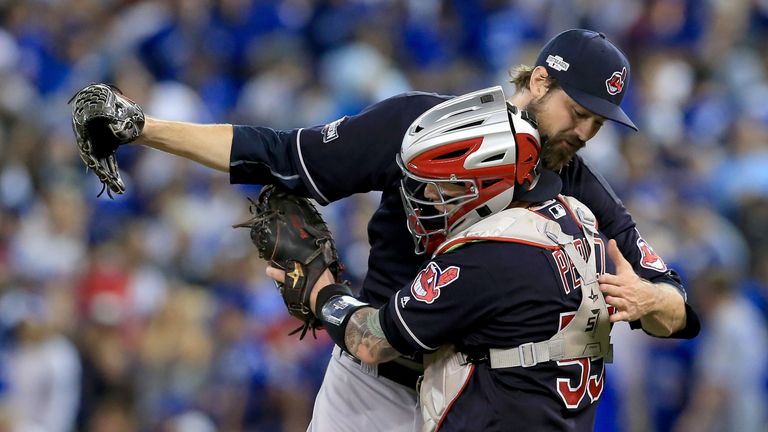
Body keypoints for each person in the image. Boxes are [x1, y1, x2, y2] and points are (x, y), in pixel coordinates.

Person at [107, 29, 699, 430]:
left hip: (480, 402)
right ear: (540, 81)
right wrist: (140, 127)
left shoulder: (571, 178)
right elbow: (282, 154)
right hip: (374, 380)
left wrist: (652, 301)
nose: (586, 133)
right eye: (580, 113)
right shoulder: (423, 127)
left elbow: (678, 307)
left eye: (599, 123)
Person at [266, 92, 620, 431]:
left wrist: (323, 293)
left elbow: (372, 342)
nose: (432, 201)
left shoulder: (487, 257)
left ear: (491, 184)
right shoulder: (580, 220)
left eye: (450, 187)